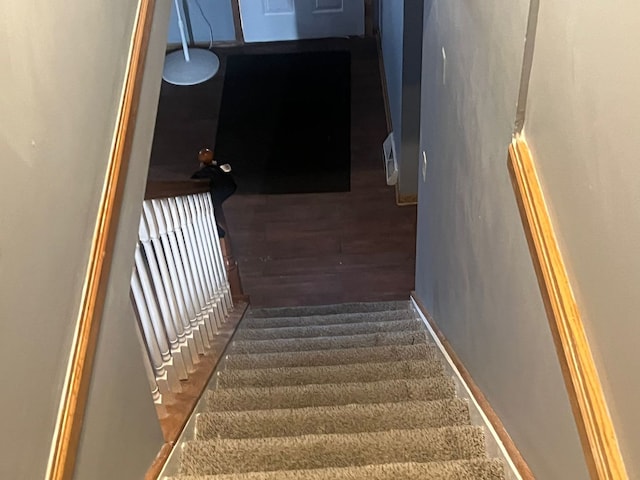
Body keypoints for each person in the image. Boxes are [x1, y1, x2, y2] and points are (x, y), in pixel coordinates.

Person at [191, 148, 236, 237]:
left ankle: (218, 232)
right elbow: (231, 185)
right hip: (224, 192)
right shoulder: (220, 172)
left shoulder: (199, 175)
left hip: (212, 197)